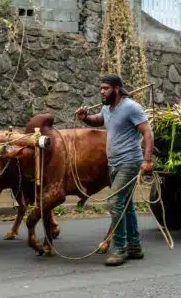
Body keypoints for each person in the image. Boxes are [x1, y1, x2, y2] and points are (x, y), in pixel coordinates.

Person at [75, 73, 154, 266]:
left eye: (106, 88)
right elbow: (99, 120)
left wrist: (147, 160)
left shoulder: (131, 107)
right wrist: (86, 118)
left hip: (130, 162)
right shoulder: (107, 108)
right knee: (126, 205)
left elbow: (147, 132)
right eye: (101, 88)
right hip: (114, 163)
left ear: (117, 89)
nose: (102, 91)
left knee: (115, 203)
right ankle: (135, 247)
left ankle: (120, 248)